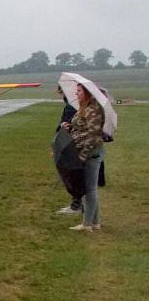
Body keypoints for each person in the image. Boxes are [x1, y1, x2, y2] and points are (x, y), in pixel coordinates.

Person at [60, 83, 105, 231]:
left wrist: (82, 156)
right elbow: (82, 128)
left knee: (88, 190)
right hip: (82, 150)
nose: (76, 93)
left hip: (90, 153)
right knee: (88, 188)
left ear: (87, 93)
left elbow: (93, 135)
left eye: (79, 91)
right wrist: (69, 126)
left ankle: (87, 224)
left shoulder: (93, 110)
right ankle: (95, 222)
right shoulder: (84, 108)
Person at [54, 85, 84, 215]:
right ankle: (77, 204)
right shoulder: (73, 105)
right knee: (73, 175)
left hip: (70, 143)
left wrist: (62, 127)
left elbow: (69, 126)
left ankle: (76, 205)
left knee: (71, 175)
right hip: (71, 142)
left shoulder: (71, 107)